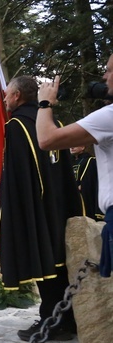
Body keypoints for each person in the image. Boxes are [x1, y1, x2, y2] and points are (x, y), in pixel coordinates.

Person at [0, 75, 82, 341]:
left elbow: (19, 174)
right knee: (58, 263)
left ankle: (50, 321)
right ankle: (66, 319)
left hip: (35, 206)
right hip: (58, 204)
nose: (3, 99)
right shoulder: (49, 121)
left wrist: (15, 210)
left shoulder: (17, 125)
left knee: (45, 262)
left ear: (16, 96)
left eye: (7, 94)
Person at [36, 54, 113, 279]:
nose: (104, 76)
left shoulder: (109, 116)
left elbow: (46, 139)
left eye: (108, 70)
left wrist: (45, 102)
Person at [70, 146, 102, 220]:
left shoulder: (90, 160)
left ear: (82, 147)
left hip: (85, 197)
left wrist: (83, 185)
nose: (72, 147)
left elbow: (92, 179)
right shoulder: (69, 162)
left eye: (75, 145)